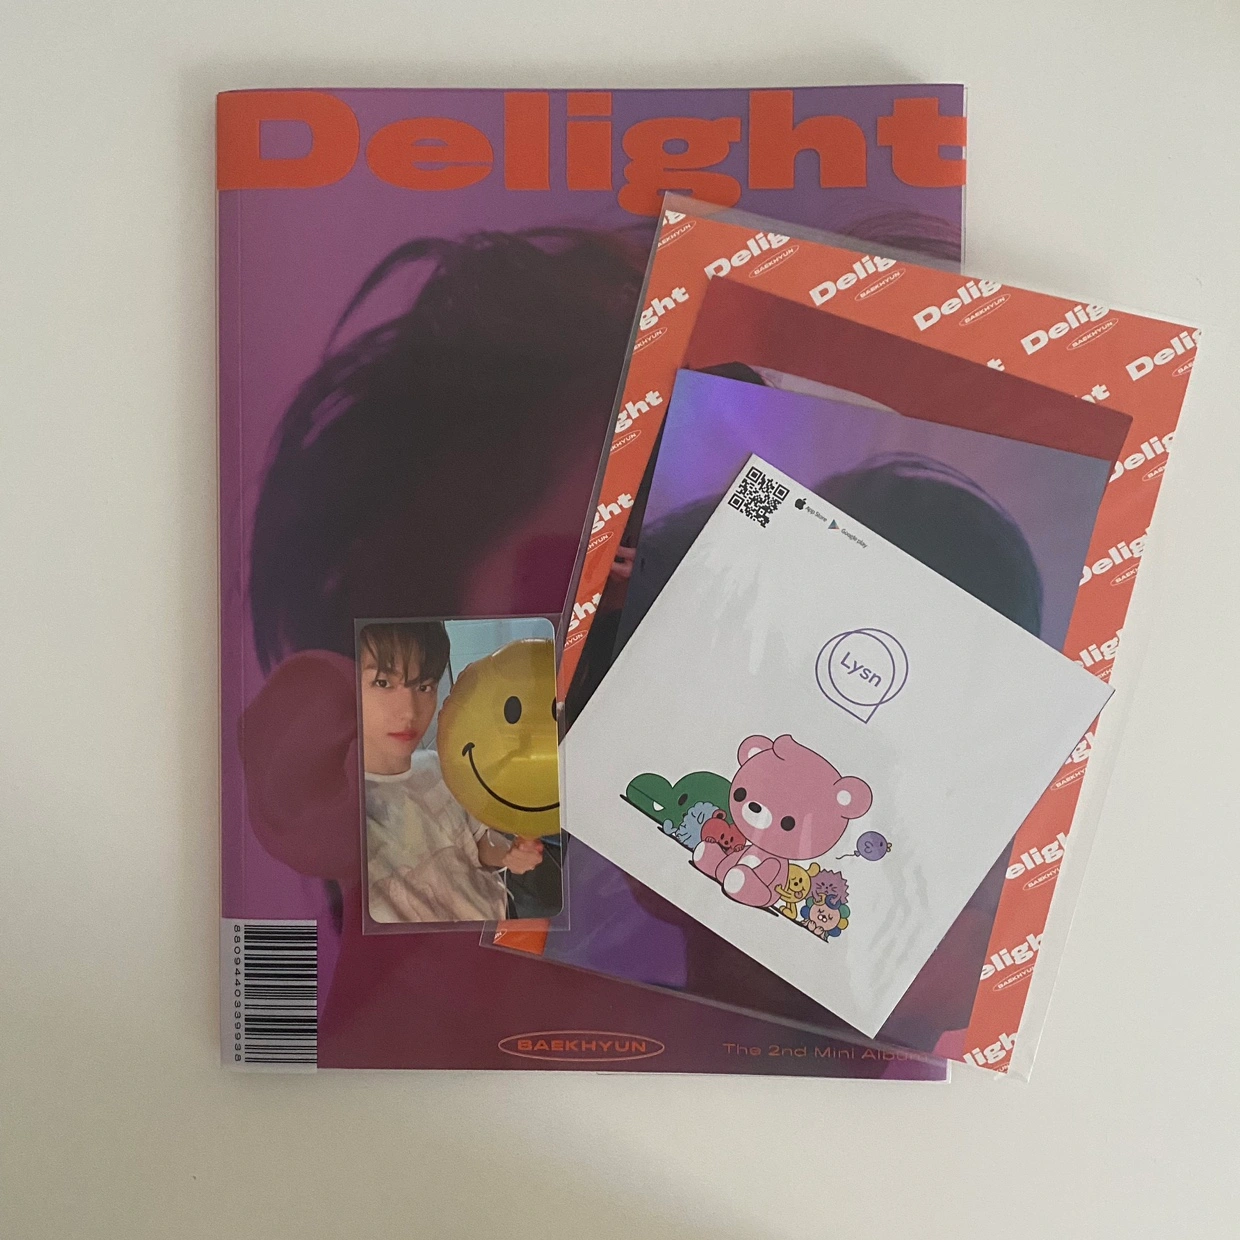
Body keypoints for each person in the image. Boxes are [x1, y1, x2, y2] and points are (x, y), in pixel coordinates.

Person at [358, 621, 543, 924]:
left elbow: (479, 842)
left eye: (424, 687)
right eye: (383, 683)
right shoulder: (343, 813)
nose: (409, 711)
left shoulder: (438, 765)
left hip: (500, 919)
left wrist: (510, 854)